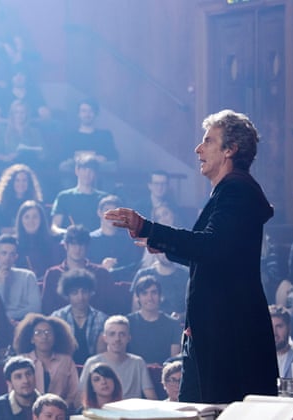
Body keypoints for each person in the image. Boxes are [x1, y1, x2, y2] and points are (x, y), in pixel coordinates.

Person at [104, 109, 279, 403]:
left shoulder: (236, 190)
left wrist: (149, 227)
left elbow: (211, 246)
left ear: (230, 150)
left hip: (227, 334)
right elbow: (211, 254)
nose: (198, 148)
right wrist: (165, 245)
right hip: (215, 330)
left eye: (208, 141)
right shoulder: (230, 191)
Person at [13, 313, 81, 411]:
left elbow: (74, 392)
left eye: (48, 332)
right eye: (38, 333)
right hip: (27, 412)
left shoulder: (66, 361)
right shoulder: (22, 361)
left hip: (60, 412)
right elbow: (14, 391)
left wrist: (59, 408)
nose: (44, 336)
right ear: (31, 339)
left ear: (55, 337)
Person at [80, 316, 157, 400]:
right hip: (102, 407)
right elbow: (81, 397)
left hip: (131, 408)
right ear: (105, 338)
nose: (117, 339)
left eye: (122, 334)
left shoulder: (138, 362)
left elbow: (151, 397)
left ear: (129, 338)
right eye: (112, 334)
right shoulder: (92, 362)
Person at [41, 225, 113, 315]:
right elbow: (46, 309)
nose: (78, 249)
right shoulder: (53, 274)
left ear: (87, 246)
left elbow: (110, 307)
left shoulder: (101, 273)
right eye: (73, 244)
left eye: (81, 244)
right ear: (66, 246)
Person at [50, 269, 108, 365]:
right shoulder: (58, 317)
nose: (80, 297)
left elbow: (102, 355)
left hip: (94, 368)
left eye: (84, 292)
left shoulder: (102, 319)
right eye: (74, 293)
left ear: (90, 293)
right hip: (63, 367)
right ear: (67, 295)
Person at [0, 234, 41, 320]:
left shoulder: (28, 276)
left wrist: (8, 316)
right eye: (4, 253)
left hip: (26, 322)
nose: (7, 258)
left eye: (12, 254)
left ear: (16, 257)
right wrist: (1, 284)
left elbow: (36, 309)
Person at [126, 275, 182, 364]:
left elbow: (173, 361)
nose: (150, 298)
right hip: (133, 371)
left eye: (154, 293)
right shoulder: (127, 323)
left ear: (160, 296)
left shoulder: (173, 325)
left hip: (163, 371)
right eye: (144, 293)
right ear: (138, 297)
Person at [88, 195, 142, 281]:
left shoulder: (129, 241)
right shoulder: (89, 240)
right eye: (107, 211)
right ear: (99, 213)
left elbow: (134, 266)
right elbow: (85, 266)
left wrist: (116, 269)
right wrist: (101, 267)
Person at [51, 154, 108, 234]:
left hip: (96, 240)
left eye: (91, 170)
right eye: (84, 169)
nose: (87, 174)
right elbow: (54, 227)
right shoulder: (64, 197)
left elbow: (110, 227)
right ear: (77, 170)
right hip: (71, 240)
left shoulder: (104, 199)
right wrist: (71, 234)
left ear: (95, 174)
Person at [61, 99, 118, 172]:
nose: (87, 114)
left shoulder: (105, 135)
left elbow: (113, 157)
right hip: (74, 174)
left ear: (95, 113)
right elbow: (64, 158)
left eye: (91, 111)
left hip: (100, 174)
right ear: (78, 114)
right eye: (84, 111)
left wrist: (103, 159)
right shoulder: (70, 136)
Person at [14, 200, 63, 279]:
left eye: (35, 217)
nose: (31, 221)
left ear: (41, 220)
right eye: (26, 217)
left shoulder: (53, 243)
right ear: (21, 220)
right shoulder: (14, 244)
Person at [0, 356, 40, 420]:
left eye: (28, 374)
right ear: (9, 383)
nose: (25, 380)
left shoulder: (47, 402)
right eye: (18, 377)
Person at [0, 164, 43, 234]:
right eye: (17, 180)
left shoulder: (37, 204)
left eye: (24, 180)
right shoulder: (1, 204)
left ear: (29, 183)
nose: (21, 183)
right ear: (11, 183)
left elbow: (41, 227)